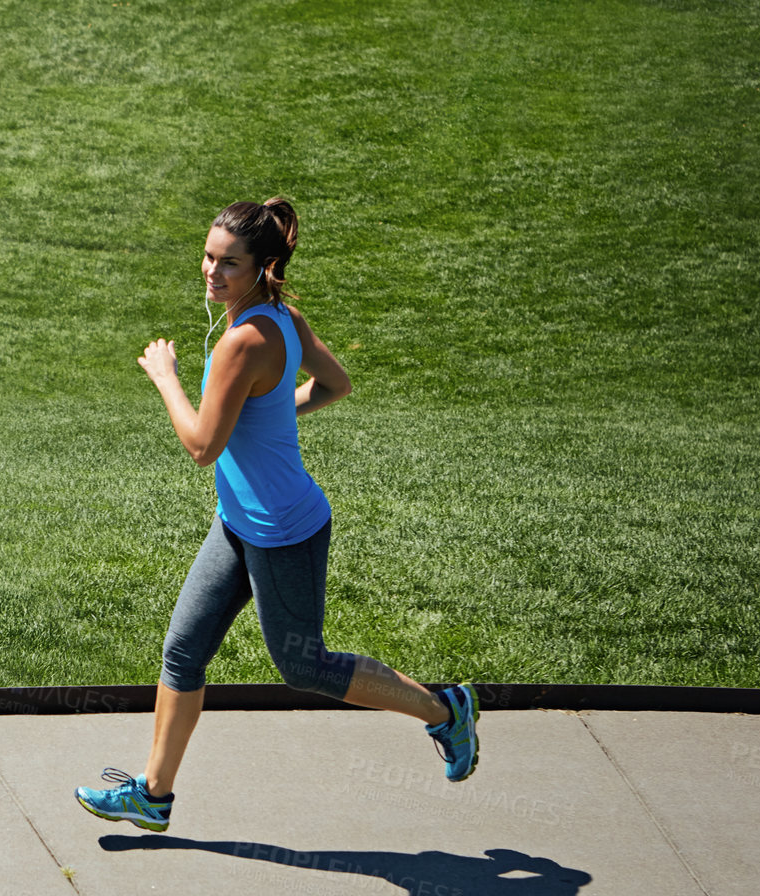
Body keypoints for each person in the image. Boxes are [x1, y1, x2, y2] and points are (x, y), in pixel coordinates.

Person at [76, 197, 479, 833]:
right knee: (183, 651)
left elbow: (203, 447)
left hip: (284, 531)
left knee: (304, 665)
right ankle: (154, 795)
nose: (212, 271)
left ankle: (444, 710)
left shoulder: (242, 342)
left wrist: (166, 377)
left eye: (229, 263)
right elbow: (334, 385)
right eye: (208, 256)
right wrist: (265, 418)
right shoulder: (283, 320)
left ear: (263, 266)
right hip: (239, 523)